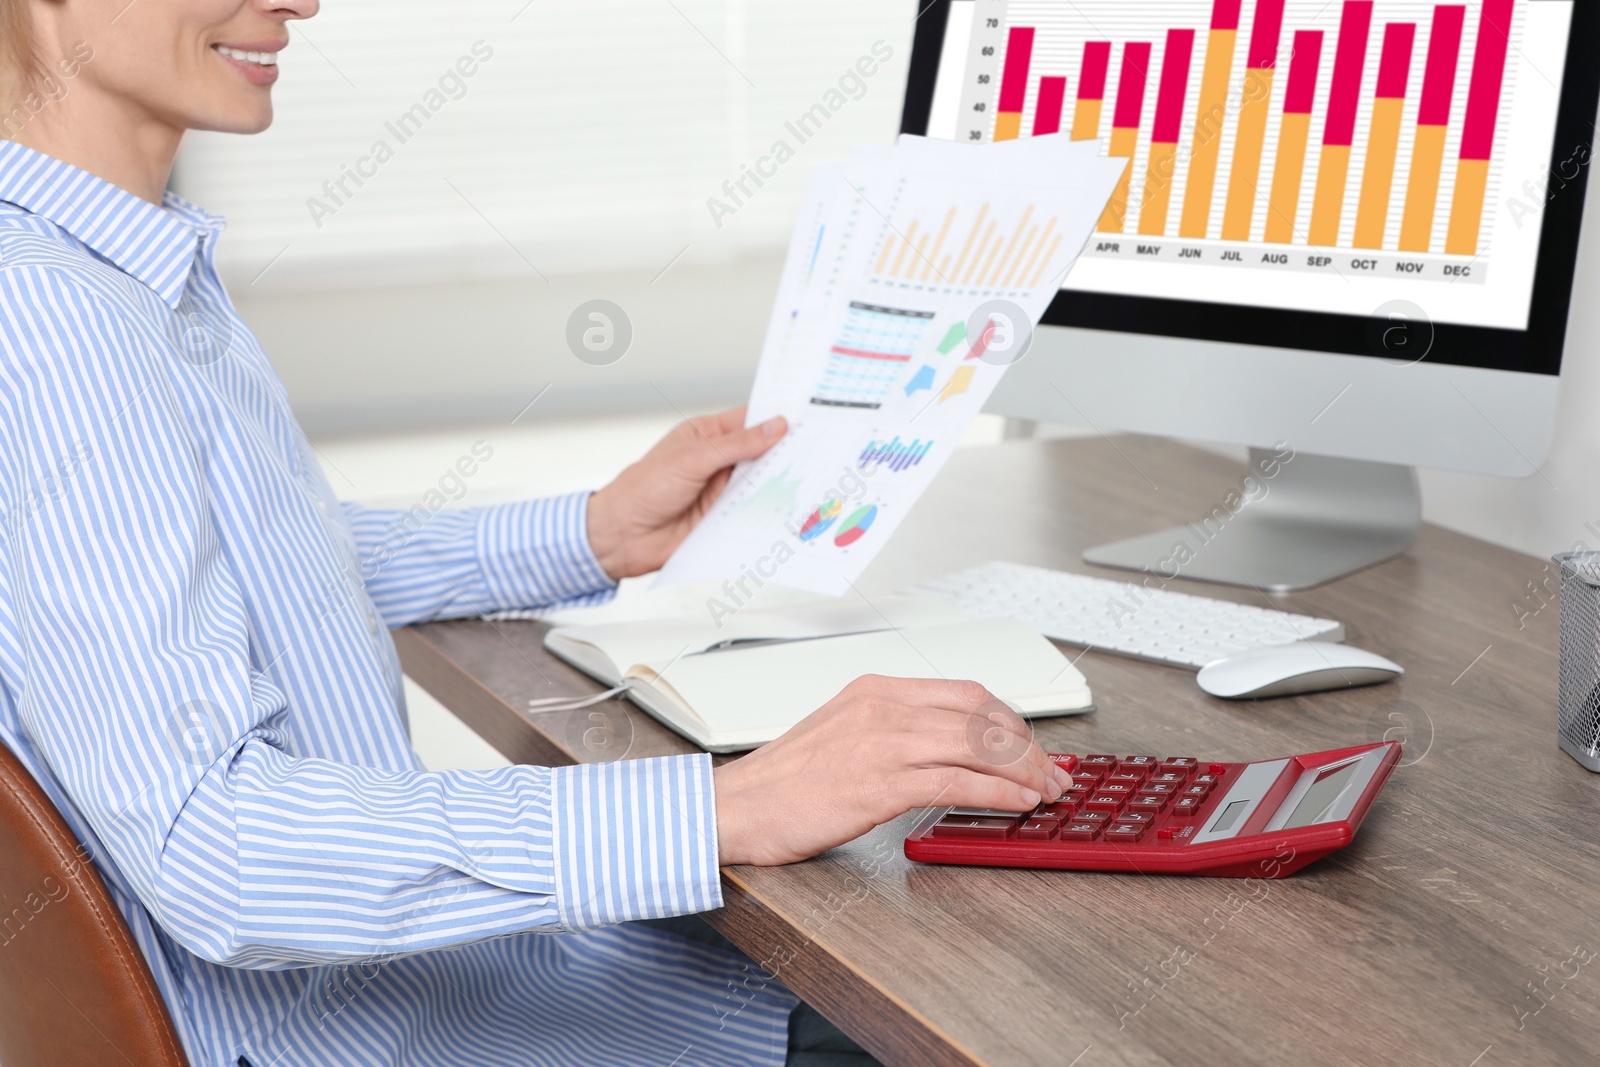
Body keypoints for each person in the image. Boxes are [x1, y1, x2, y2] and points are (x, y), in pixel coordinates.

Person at [0, 0, 1071, 1064]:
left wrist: (594, 533)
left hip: (441, 988)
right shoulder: (55, 322)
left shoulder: (113, 270)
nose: (300, 1)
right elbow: (214, 848)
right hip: (394, 1028)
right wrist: (723, 806)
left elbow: (232, 563)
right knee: (1014, 1002)